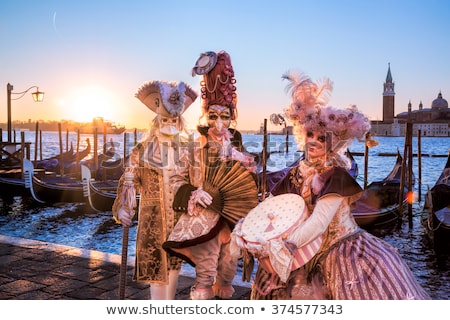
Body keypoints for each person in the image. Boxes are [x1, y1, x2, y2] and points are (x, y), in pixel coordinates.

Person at [243, 70, 430, 300]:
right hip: (305, 251)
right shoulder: (297, 172)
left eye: (321, 138)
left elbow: (320, 222)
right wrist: (249, 228)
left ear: (333, 143)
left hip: (339, 250)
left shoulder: (336, 176)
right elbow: (273, 205)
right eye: (310, 134)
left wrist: (285, 245)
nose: (313, 141)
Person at [163, 50, 258, 300]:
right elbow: (175, 179)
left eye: (224, 117)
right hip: (204, 218)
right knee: (205, 274)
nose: (218, 123)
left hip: (233, 218)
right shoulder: (194, 147)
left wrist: (252, 175)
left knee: (227, 270)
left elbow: (247, 185)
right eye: (213, 116)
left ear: (231, 118)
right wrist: (194, 193)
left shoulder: (238, 149)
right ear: (207, 117)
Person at [112, 80, 198, 300]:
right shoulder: (141, 150)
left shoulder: (188, 150)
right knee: (157, 276)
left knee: (174, 271)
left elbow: (196, 182)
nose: (169, 124)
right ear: (156, 122)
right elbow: (129, 181)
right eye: (165, 120)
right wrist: (124, 207)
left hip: (179, 222)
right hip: (152, 223)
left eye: (173, 120)